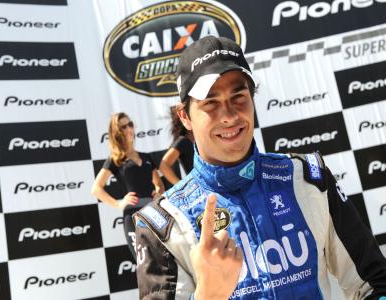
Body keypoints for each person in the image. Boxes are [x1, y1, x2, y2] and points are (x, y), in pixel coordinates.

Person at [133, 36, 386, 300]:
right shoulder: (161, 225)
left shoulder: (308, 179)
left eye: (238, 96)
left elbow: (373, 282)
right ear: (184, 116)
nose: (230, 115)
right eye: (211, 102)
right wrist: (209, 295)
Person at [91, 112, 165, 259]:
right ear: (117, 133)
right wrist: (118, 204)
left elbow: (159, 185)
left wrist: (158, 194)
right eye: (124, 127)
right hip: (133, 217)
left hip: (153, 213)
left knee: (164, 258)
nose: (129, 129)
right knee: (145, 263)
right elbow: (96, 189)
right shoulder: (115, 159)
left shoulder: (146, 157)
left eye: (130, 124)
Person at [159, 106, 194, 185]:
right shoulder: (183, 141)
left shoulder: (202, 138)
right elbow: (163, 166)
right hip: (200, 189)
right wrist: (181, 185)